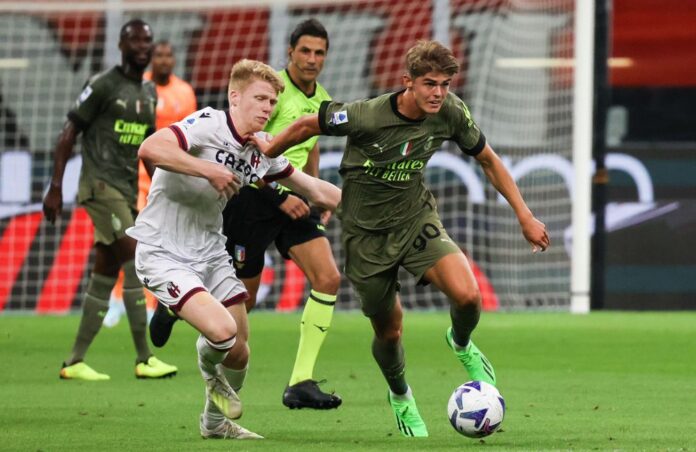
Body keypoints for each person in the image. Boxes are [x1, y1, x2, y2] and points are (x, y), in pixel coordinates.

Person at [252, 40, 550, 437]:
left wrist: (524, 215)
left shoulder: (450, 112)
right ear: (407, 81)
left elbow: (488, 160)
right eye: (429, 83)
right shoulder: (366, 115)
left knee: (468, 296)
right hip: (366, 237)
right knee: (389, 333)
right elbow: (308, 124)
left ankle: (461, 342)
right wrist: (267, 153)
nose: (438, 93)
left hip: (415, 221)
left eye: (445, 84)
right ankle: (401, 395)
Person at [127, 59, 342, 440]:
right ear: (235, 96)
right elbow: (150, 148)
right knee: (223, 334)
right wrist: (206, 169)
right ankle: (210, 375)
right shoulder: (208, 123)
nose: (267, 108)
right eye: (260, 98)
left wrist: (377, 207)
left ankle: (214, 423)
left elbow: (316, 190)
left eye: (273, 102)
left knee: (240, 351)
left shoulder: (258, 152)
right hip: (163, 250)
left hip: (210, 251)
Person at [42, 19, 177, 381]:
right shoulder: (103, 84)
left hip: (127, 189)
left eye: (147, 40)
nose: (143, 47)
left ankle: (74, 362)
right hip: (99, 186)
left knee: (105, 272)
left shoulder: (149, 93)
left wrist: (163, 187)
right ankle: (144, 357)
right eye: (136, 40)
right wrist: (55, 186)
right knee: (136, 257)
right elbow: (69, 131)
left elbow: (148, 148)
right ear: (121, 45)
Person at [104, 40, 197, 327]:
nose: (164, 60)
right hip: (136, 177)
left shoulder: (185, 93)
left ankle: (150, 300)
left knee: (162, 243)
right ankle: (117, 299)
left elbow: (190, 138)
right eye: (159, 55)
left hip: (168, 177)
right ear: (151, 59)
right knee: (131, 239)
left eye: (169, 55)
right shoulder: (137, 89)